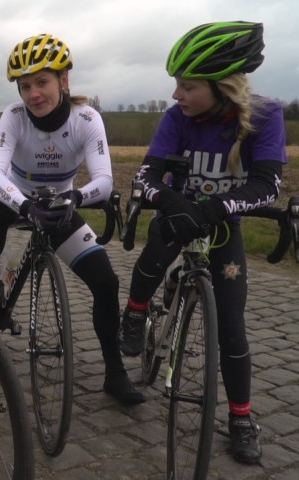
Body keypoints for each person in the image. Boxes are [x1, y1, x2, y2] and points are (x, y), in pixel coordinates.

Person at [118, 21, 286, 463]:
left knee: (231, 324)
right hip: (178, 216)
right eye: (177, 84)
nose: (176, 95)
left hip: (222, 225)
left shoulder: (265, 116)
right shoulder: (177, 118)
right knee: (154, 256)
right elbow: (146, 175)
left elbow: (267, 185)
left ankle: (241, 417)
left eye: (188, 86)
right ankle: (134, 313)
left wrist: (215, 208)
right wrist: (171, 201)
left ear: (222, 86)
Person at [0, 34, 144, 405]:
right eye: (25, 86)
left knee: (106, 282)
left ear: (64, 80)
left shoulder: (86, 119)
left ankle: (115, 373)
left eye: (42, 82)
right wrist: (24, 206)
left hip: (59, 204)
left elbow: (104, 180)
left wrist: (76, 198)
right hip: (15, 198)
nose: (33, 94)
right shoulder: (14, 117)